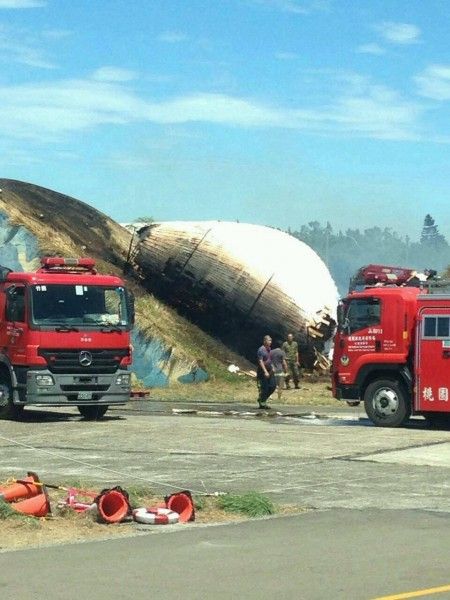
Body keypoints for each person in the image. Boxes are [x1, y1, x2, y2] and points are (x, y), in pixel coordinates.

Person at [256, 335, 276, 409]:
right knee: (265, 388)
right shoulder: (261, 350)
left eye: (271, 340)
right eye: (269, 340)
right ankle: (262, 403)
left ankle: (262, 399)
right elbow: (260, 361)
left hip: (270, 371)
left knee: (273, 386)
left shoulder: (269, 349)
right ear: (264, 341)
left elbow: (270, 359)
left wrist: (273, 367)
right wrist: (265, 371)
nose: (270, 342)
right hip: (263, 372)